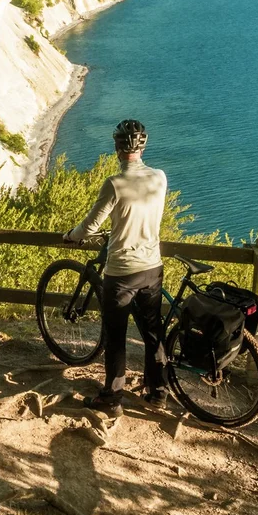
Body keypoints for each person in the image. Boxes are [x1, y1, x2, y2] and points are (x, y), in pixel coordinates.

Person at [63, 119, 168, 417]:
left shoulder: (115, 184)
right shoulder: (160, 178)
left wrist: (71, 236)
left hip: (121, 271)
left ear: (117, 148)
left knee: (116, 335)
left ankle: (112, 397)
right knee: (152, 331)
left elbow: (91, 225)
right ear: (143, 146)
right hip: (152, 268)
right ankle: (158, 392)